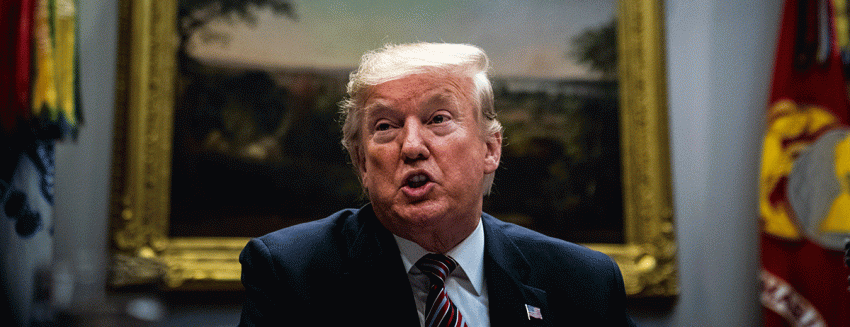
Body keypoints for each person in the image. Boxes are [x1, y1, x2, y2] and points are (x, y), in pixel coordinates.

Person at [238, 42, 636, 326]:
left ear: (490, 149)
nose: (411, 146)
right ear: (362, 162)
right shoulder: (290, 274)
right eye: (385, 126)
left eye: (438, 119)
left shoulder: (583, 283)